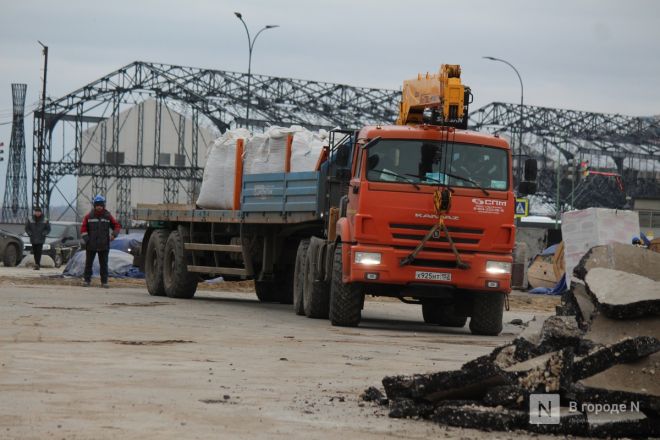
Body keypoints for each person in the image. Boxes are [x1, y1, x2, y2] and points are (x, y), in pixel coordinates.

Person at [81, 195, 121, 288]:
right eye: (97, 205)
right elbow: (83, 229)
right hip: (91, 245)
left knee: (104, 264)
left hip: (104, 245)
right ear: (94, 206)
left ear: (103, 206)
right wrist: (87, 240)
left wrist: (114, 234)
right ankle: (87, 281)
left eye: (101, 205)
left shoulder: (108, 216)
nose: (99, 207)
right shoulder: (88, 216)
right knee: (88, 264)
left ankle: (104, 282)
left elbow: (117, 226)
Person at [25, 206, 51, 270]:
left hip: (40, 238)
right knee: (35, 252)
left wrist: (44, 233)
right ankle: (37, 263)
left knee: (39, 251)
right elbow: (27, 228)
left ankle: (37, 264)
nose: (37, 213)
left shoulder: (45, 219)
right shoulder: (30, 219)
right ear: (35, 212)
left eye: (38, 212)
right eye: (36, 212)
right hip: (33, 238)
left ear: (41, 212)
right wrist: (29, 233)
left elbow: (48, 229)